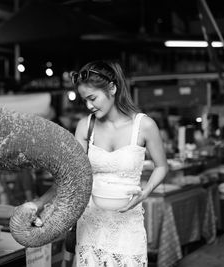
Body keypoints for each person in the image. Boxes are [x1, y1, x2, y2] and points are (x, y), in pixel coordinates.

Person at [71, 60, 168, 266]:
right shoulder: (85, 126)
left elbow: (162, 166)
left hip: (127, 223)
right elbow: (74, 173)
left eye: (92, 98)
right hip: (91, 221)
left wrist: (146, 191)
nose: (89, 105)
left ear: (112, 88)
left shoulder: (144, 125)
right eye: (84, 100)